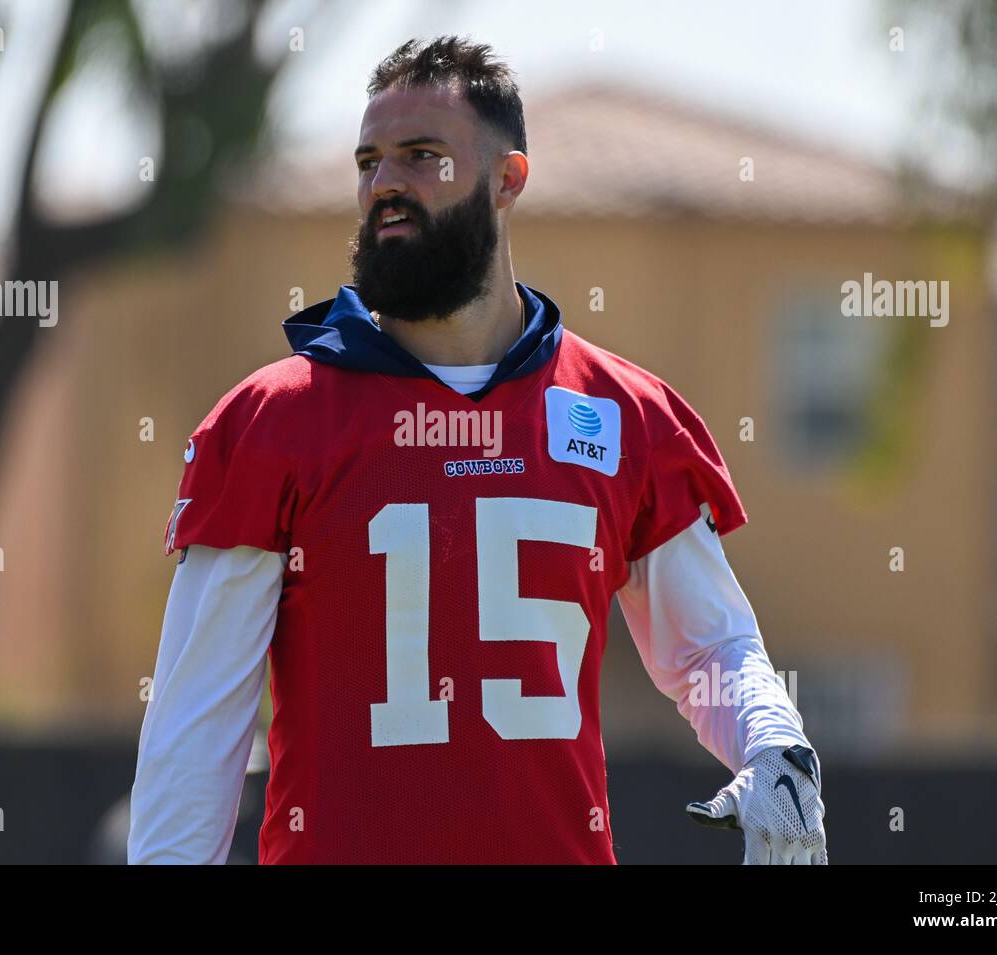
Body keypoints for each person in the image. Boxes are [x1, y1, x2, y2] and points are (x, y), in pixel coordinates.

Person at [128, 35, 826, 865]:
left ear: (507, 179)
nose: (385, 182)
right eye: (370, 161)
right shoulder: (273, 422)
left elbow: (712, 647)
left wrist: (775, 743)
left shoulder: (621, 415)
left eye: (422, 155)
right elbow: (195, 733)